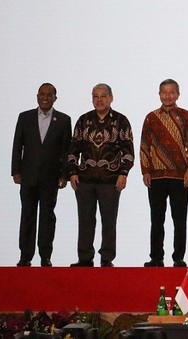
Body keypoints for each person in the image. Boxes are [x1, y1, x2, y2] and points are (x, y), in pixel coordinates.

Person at [68, 83, 134, 267]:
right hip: (85, 180)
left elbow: (128, 151)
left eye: (103, 96)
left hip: (110, 181)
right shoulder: (83, 120)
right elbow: (73, 149)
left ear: (111, 98)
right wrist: (72, 172)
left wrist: (123, 173)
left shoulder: (121, 121)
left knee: (109, 221)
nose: (99, 100)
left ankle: (106, 259)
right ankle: (85, 258)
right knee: (85, 220)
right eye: (95, 96)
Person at [11, 83, 72, 267]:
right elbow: (17, 145)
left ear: (55, 97)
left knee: (47, 217)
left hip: (51, 178)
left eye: (49, 95)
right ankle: (25, 256)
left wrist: (65, 175)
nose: (45, 98)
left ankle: (45, 256)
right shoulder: (25, 117)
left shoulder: (63, 120)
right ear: (37, 96)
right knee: (27, 215)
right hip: (28, 176)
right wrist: (16, 170)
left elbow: (66, 150)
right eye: (42, 94)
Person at [140, 79, 188, 268]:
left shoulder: (186, 116)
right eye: (164, 92)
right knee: (157, 219)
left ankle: (178, 257)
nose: (168, 95)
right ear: (159, 94)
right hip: (155, 176)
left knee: (180, 219)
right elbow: (144, 146)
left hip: (180, 175)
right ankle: (156, 257)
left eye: (172, 92)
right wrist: (145, 170)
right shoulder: (151, 117)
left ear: (178, 94)